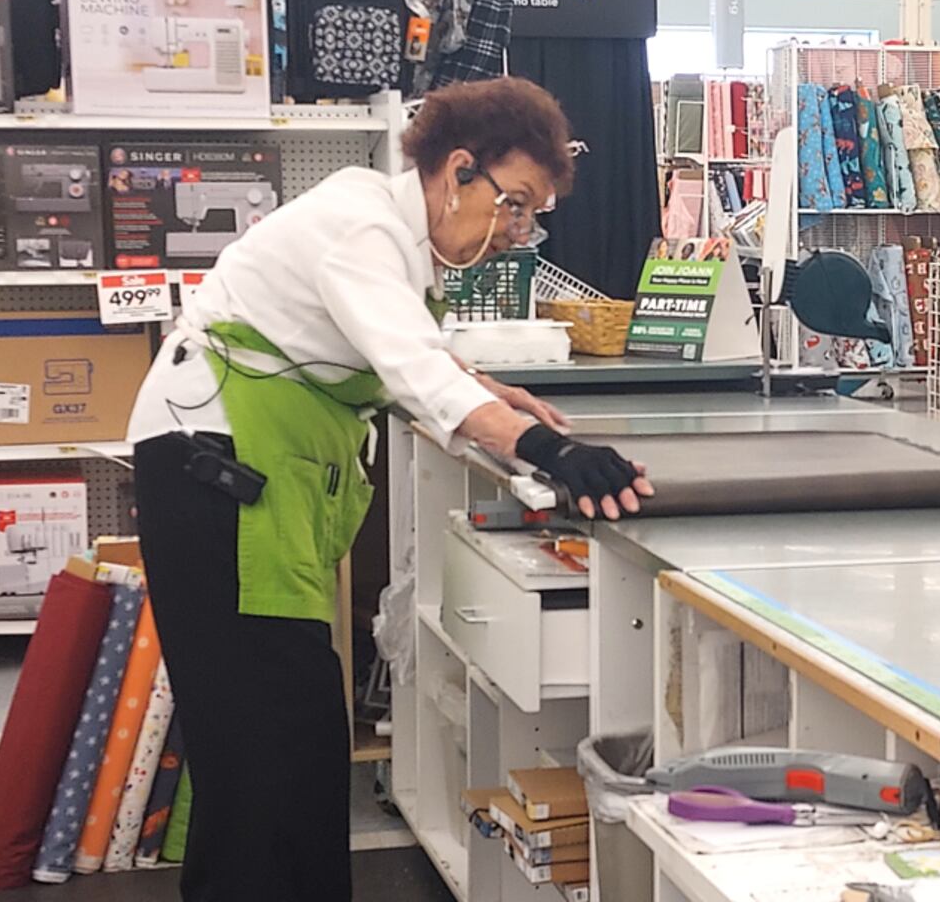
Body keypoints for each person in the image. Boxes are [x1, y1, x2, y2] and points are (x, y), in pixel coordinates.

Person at [126, 77, 652, 902]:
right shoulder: (362, 222)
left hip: (247, 479)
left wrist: (487, 389)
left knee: (300, 741)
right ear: (458, 170)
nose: (516, 232)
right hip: (211, 476)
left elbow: (408, 348)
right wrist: (553, 450)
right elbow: (409, 366)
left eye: (530, 214)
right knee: (257, 753)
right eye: (512, 205)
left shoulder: (395, 241)